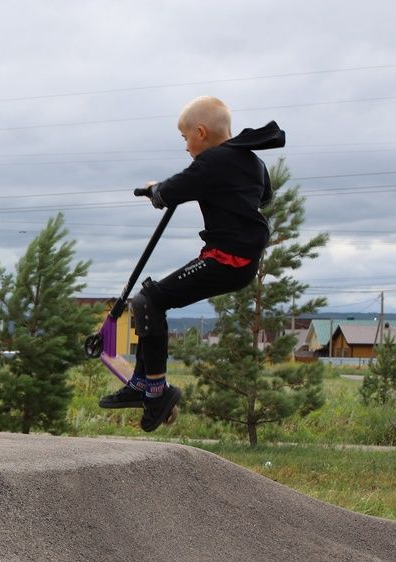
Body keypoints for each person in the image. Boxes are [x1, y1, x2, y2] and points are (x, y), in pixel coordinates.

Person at [100, 95, 285, 431]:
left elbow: (169, 193)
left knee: (149, 300)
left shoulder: (213, 161)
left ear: (201, 133)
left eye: (186, 138)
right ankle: (141, 383)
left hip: (225, 259)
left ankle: (156, 392)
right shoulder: (252, 161)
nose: (186, 147)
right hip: (241, 260)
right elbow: (265, 196)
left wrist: (155, 190)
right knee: (152, 299)